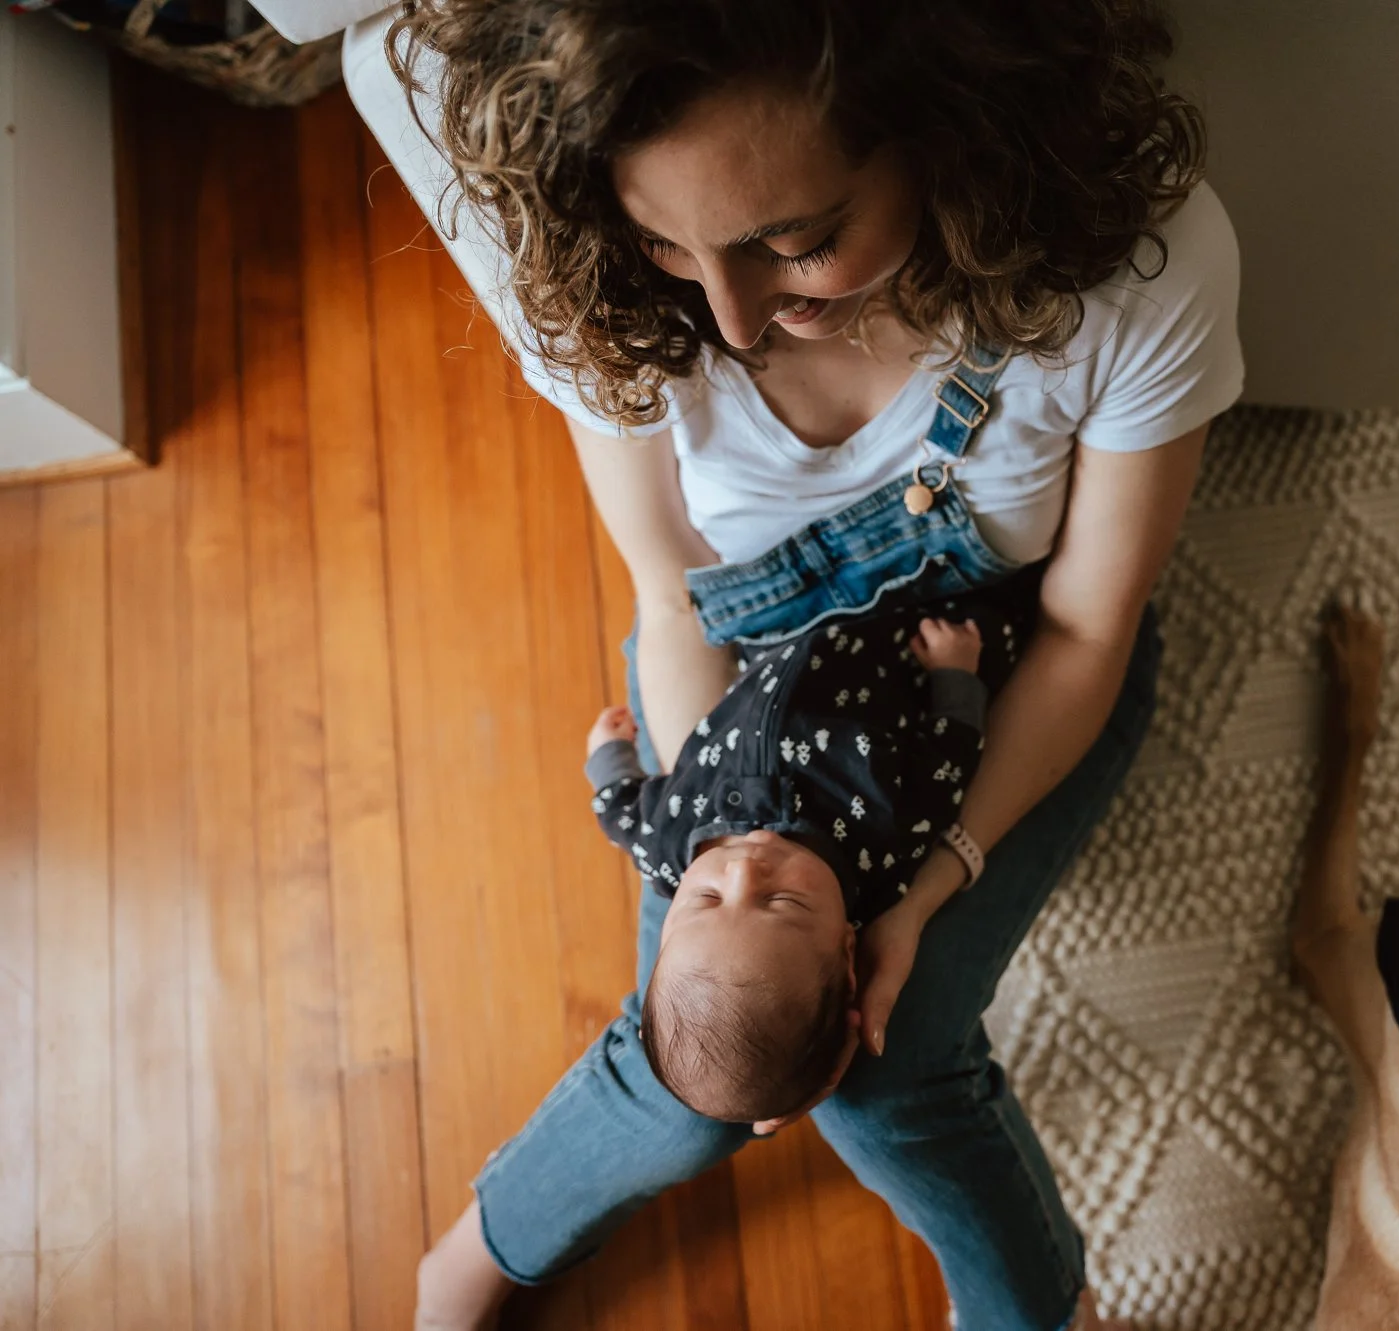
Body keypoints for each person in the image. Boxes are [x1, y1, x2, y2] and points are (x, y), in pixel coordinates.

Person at [347, 0, 1244, 1326]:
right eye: (667, 241)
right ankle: (478, 1253)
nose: (733, 315)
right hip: (739, 690)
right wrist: (725, 829)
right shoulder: (605, 275)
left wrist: (926, 884)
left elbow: (1088, 628)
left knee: (887, 1076)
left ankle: (1032, 1314)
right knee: (703, 1031)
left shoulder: (1133, 273)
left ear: (955, 130)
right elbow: (672, 595)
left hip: (1008, 664)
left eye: (799, 242)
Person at [583, 599, 1022, 1125]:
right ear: (847, 946)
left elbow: (620, 814)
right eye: (781, 901)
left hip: (767, 618)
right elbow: (949, 761)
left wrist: (609, 758)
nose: (742, 871)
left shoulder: (665, 846)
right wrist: (954, 676)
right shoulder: (886, 846)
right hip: (889, 627)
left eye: (706, 898)